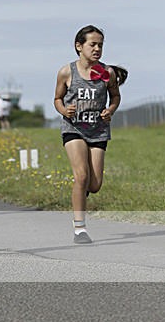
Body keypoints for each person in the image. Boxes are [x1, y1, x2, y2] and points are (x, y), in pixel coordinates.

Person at [54, 24, 127, 244]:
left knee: (94, 185)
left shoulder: (107, 73)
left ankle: (81, 191)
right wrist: (64, 110)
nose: (97, 49)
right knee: (82, 176)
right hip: (74, 129)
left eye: (100, 45)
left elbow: (115, 96)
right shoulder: (67, 72)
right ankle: (80, 229)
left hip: (98, 131)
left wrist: (110, 110)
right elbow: (57, 99)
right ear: (79, 46)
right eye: (92, 44)